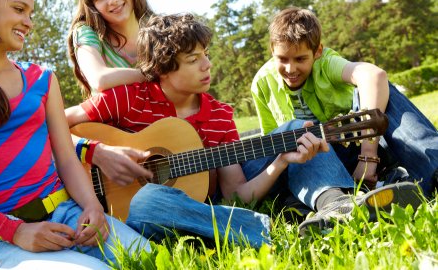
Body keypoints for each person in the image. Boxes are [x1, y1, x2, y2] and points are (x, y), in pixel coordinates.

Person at [66, 13, 419, 245]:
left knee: (297, 129)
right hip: (129, 214)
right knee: (148, 199)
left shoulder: (218, 114)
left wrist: (280, 161)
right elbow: (51, 127)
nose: (208, 65)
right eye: (194, 60)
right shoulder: (126, 98)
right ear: (163, 69)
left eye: (206, 54)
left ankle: (338, 207)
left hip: (208, 204)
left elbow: (237, 194)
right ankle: (261, 232)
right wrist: (96, 151)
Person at [0, 0, 149, 270]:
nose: (28, 22)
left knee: (153, 259)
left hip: (66, 215)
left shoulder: (42, 80)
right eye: (19, 9)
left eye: (31, 13)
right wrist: (17, 231)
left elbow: (65, 158)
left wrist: (91, 206)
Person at [251, 7, 435, 231]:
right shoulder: (262, 83)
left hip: (358, 146)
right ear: (272, 50)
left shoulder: (325, 62)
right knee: (297, 133)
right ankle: (341, 202)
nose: (291, 68)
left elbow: (373, 75)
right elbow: (273, 143)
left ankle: (430, 170)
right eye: (282, 59)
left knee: (381, 92)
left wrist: (368, 156)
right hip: (314, 167)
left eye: (300, 59)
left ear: (317, 51)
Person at [67, 0, 153, 186]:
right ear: (91, 4)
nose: (113, 0)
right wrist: (152, 74)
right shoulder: (87, 33)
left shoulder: (158, 29)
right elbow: (99, 78)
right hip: (113, 144)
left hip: (159, 136)